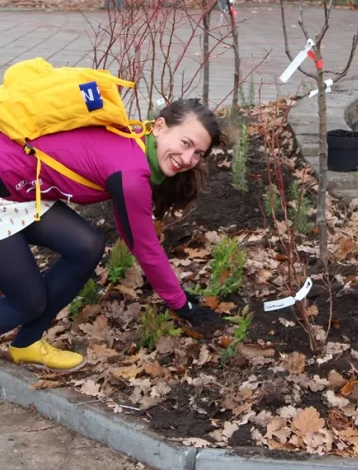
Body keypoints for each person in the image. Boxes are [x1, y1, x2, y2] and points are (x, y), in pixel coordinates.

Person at [0, 98, 224, 373]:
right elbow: (145, 247)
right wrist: (183, 305)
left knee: (85, 246)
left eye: (198, 153)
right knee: (27, 303)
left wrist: (178, 297)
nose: (188, 159)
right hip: (6, 185)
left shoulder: (136, 139)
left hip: (18, 189)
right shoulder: (131, 173)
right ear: (160, 127)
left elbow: (131, 231)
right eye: (185, 143)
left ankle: (27, 344)